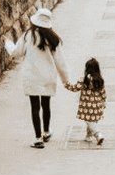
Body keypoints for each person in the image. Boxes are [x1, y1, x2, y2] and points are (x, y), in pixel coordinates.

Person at [4, 8, 70, 148]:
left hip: (32, 77)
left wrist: (7, 43)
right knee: (46, 105)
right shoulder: (53, 38)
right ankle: (46, 131)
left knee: (35, 107)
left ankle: (38, 138)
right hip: (48, 77)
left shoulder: (29, 35)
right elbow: (61, 62)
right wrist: (66, 81)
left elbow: (16, 52)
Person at [65, 57, 106, 145]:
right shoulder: (99, 81)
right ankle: (88, 136)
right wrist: (103, 103)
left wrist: (66, 84)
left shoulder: (84, 80)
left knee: (89, 122)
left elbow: (74, 88)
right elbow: (103, 93)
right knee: (92, 122)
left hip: (87, 106)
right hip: (97, 106)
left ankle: (98, 135)